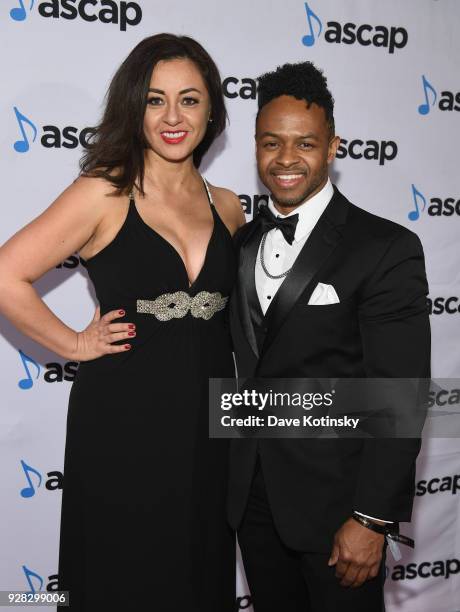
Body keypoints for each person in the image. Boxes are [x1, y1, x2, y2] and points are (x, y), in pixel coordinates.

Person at [0, 34, 245, 611]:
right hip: (122, 426)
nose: (172, 116)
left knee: (197, 571)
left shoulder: (229, 206)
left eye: (189, 99)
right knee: (121, 576)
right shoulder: (104, 192)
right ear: (133, 107)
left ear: (212, 108)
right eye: (155, 100)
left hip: (210, 431)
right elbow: (7, 274)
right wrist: (74, 342)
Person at [228, 62, 430, 611]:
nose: (286, 159)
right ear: (255, 146)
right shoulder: (242, 242)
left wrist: (371, 518)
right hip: (252, 501)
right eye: (272, 142)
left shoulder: (384, 248)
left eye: (305, 143)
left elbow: (401, 395)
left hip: (340, 512)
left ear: (333, 146)